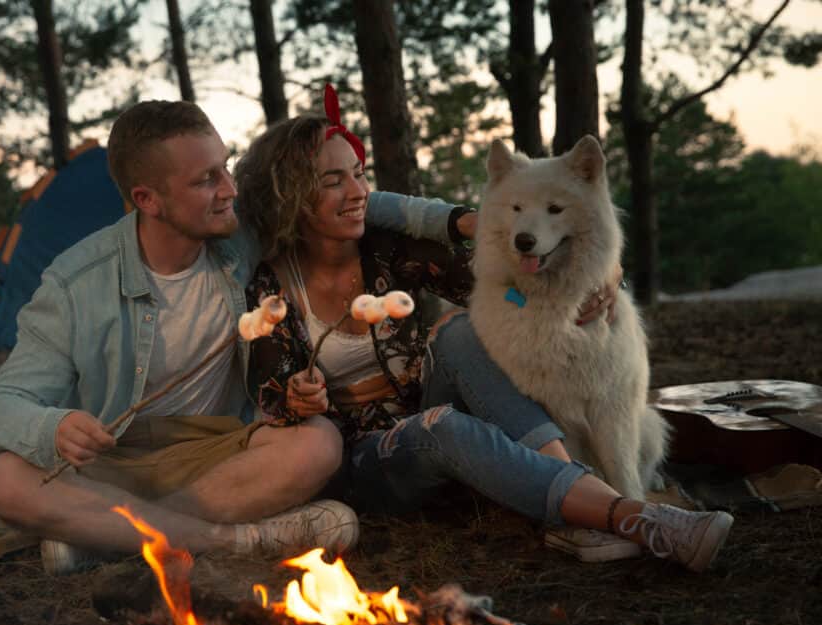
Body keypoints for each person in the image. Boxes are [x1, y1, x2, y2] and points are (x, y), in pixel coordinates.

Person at [237, 91, 734, 572]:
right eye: (333, 181)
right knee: (444, 426)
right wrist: (300, 397)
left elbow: (506, 270)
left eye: (360, 175)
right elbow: (273, 395)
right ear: (294, 195)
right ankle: (629, 517)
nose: (358, 192)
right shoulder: (272, 284)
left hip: (423, 411)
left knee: (461, 334)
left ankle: (577, 492)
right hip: (366, 460)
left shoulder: (386, 249)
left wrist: (605, 270)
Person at [0, 99, 472, 575]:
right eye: (206, 179)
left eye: (226, 167)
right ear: (147, 199)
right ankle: (233, 540)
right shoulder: (75, 283)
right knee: (5, 479)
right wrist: (55, 427)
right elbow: (1, 404)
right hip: (116, 457)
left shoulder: (238, 235)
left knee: (319, 444)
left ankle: (104, 538)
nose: (230, 188)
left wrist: (455, 219)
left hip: (219, 452)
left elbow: (346, 200)